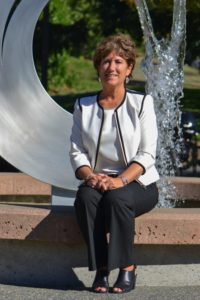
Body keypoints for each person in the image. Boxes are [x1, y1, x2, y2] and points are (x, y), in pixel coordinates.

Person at [69, 33, 159, 294]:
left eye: (119, 61)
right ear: (98, 68)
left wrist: (119, 181)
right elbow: (76, 151)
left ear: (129, 68)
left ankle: (127, 267)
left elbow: (147, 153)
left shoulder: (142, 103)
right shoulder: (83, 106)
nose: (112, 67)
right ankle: (102, 268)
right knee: (86, 199)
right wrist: (91, 177)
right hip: (98, 179)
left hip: (138, 183)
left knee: (117, 199)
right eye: (106, 62)